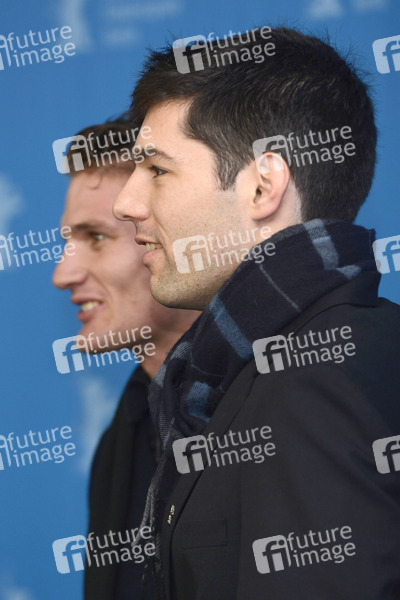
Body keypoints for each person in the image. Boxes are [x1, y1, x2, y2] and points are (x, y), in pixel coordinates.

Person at [113, 27, 400, 599]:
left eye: (157, 170)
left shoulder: (315, 376)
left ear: (263, 186)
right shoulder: (263, 367)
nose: (126, 203)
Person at [52, 115, 200, 600]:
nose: (63, 274)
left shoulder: (272, 413)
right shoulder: (126, 433)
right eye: (68, 242)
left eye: (96, 237)